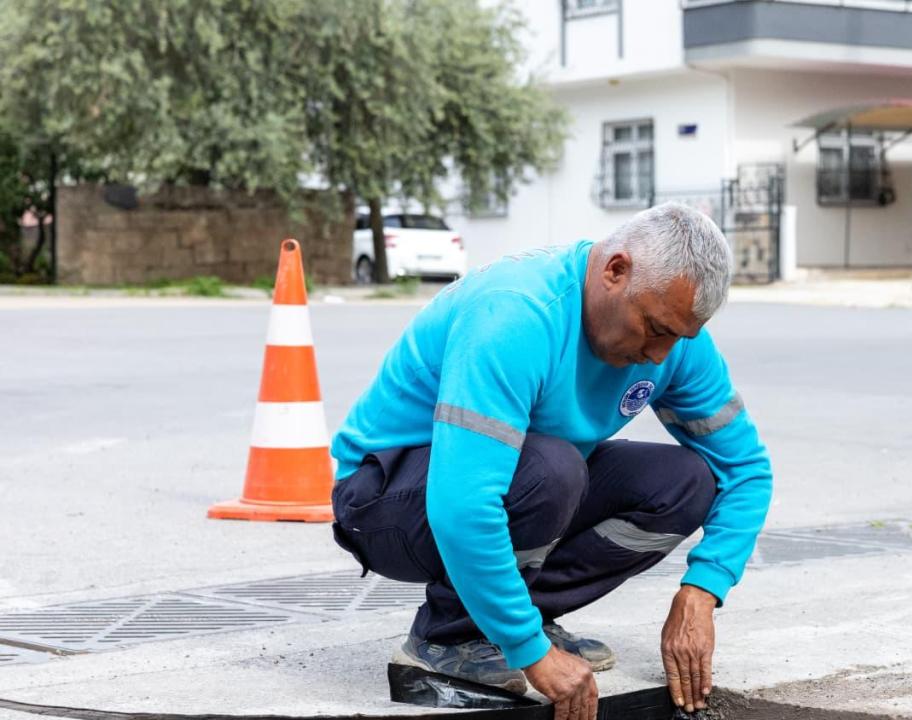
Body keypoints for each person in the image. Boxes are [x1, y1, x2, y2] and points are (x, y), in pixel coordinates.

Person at [329, 203, 772, 720]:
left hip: (514, 477)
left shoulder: (673, 343)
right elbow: (462, 505)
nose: (659, 353)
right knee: (552, 469)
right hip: (385, 501)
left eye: (678, 335)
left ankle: (521, 617)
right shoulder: (516, 314)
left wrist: (703, 589)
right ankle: (445, 642)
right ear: (615, 270)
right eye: (653, 328)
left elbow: (743, 469)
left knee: (685, 482)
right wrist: (531, 654)